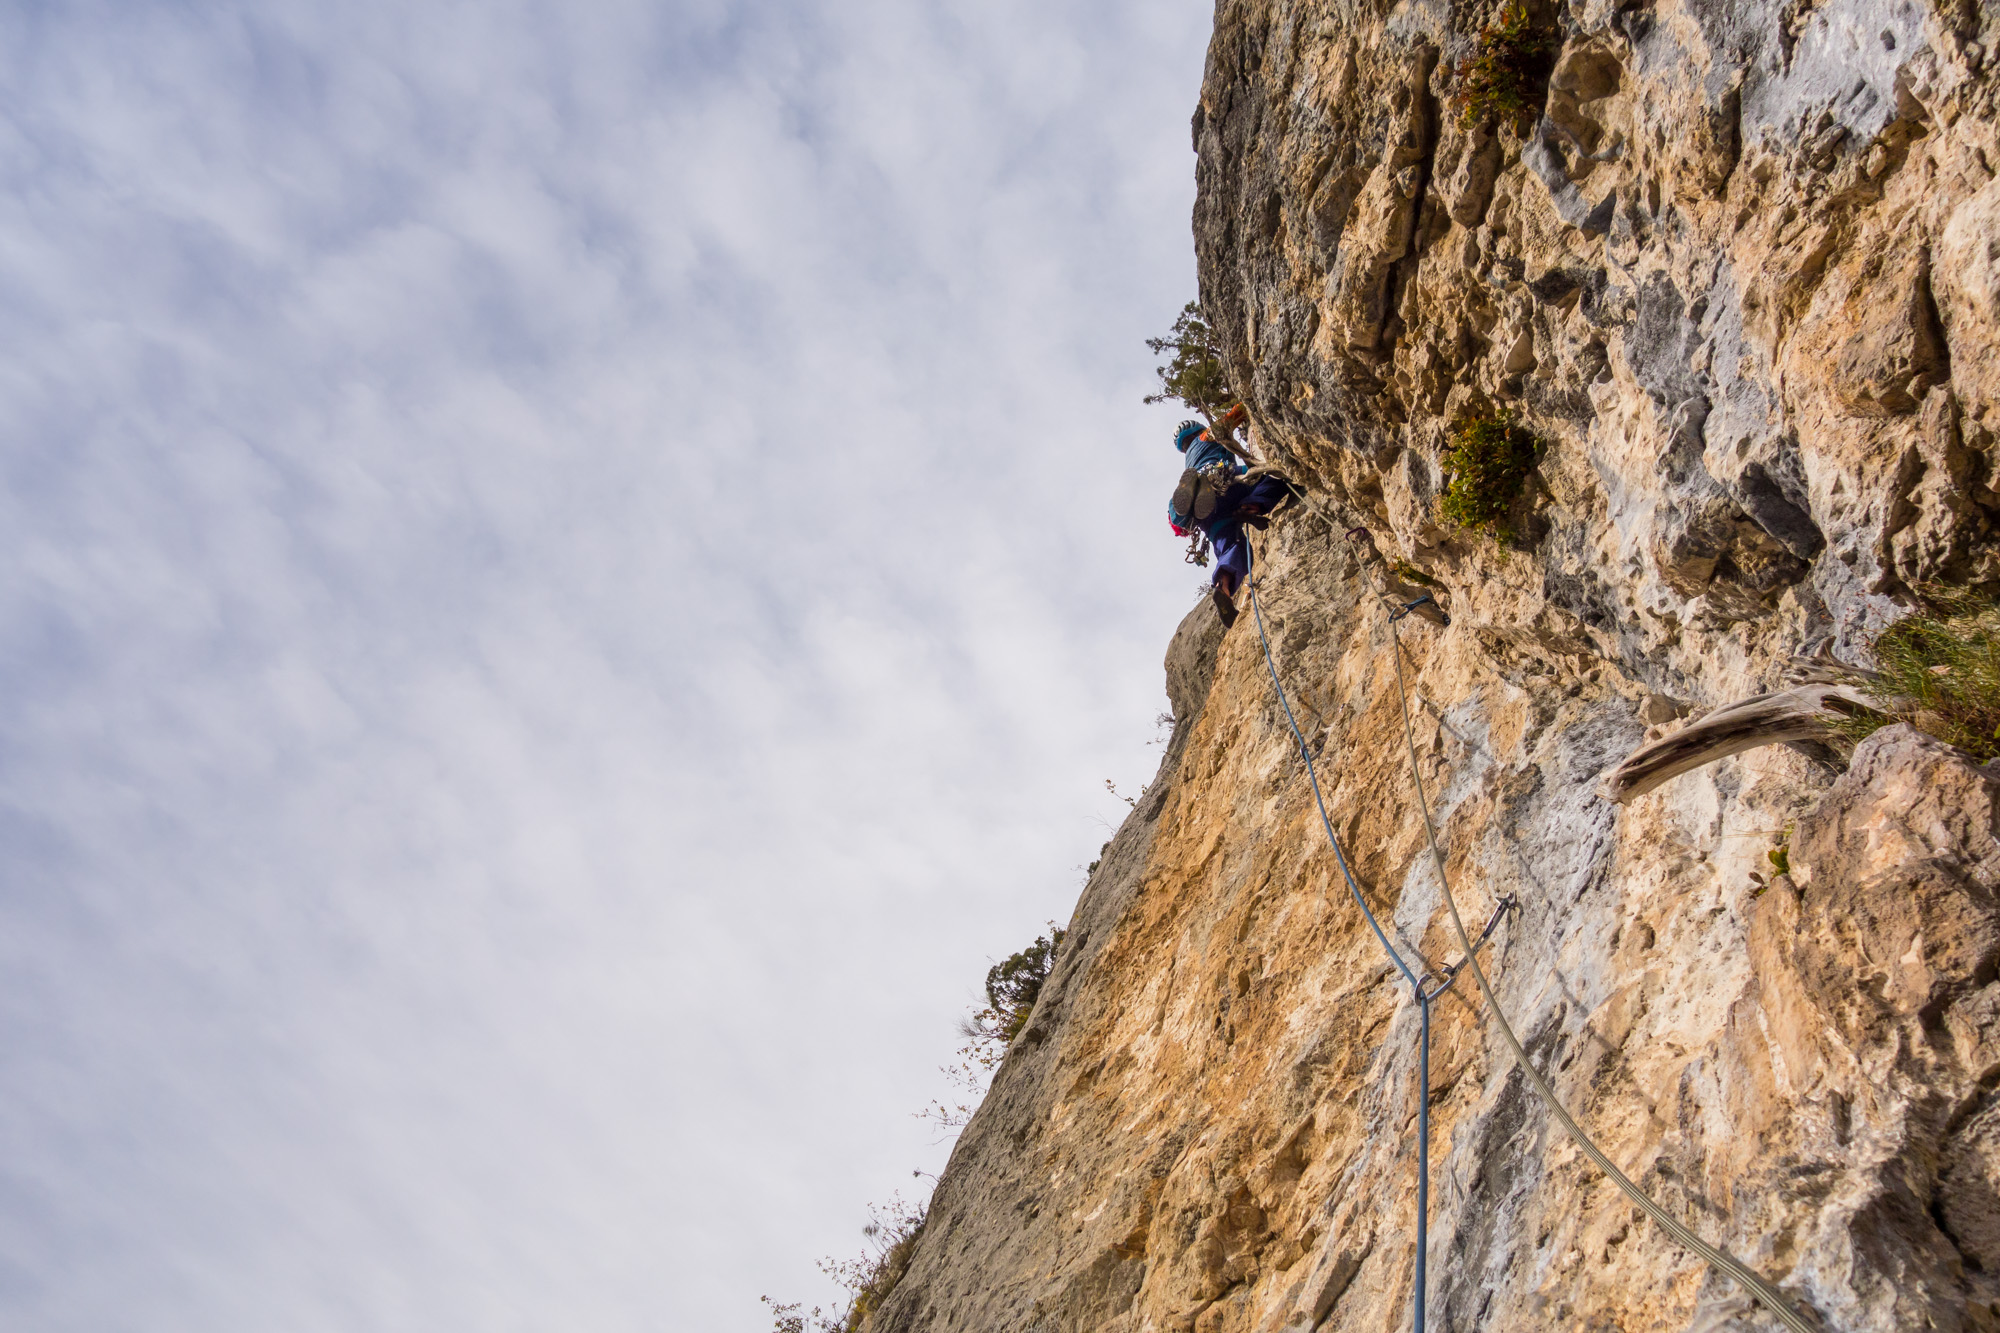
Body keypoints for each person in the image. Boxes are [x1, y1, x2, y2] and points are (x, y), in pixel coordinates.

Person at [1167, 405, 1293, 628]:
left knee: (1228, 547)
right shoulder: (1207, 436)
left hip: (1206, 515)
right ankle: (1251, 507)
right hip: (1226, 481)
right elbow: (1238, 413)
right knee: (1278, 475)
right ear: (1198, 429)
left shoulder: (1189, 463)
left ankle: (1223, 588)